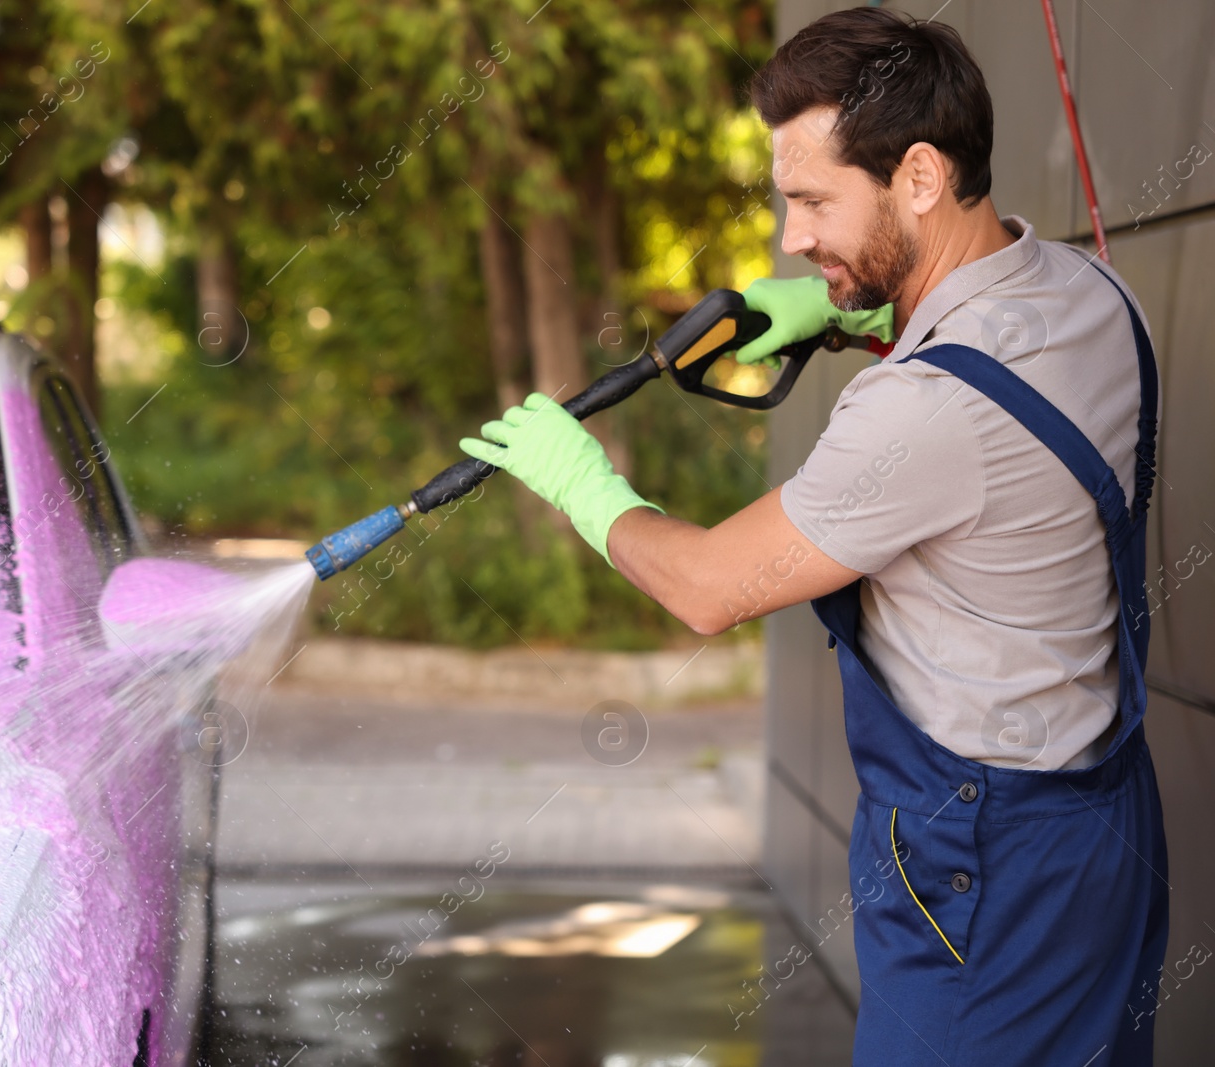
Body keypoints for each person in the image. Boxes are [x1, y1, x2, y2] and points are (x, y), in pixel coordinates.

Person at [460, 7, 1167, 1064]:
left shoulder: (918, 416)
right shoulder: (1092, 293)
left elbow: (707, 586)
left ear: (918, 175)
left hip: (980, 873)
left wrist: (587, 487)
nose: (793, 236)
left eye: (811, 202)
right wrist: (842, 313)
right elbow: (993, 356)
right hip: (1102, 829)